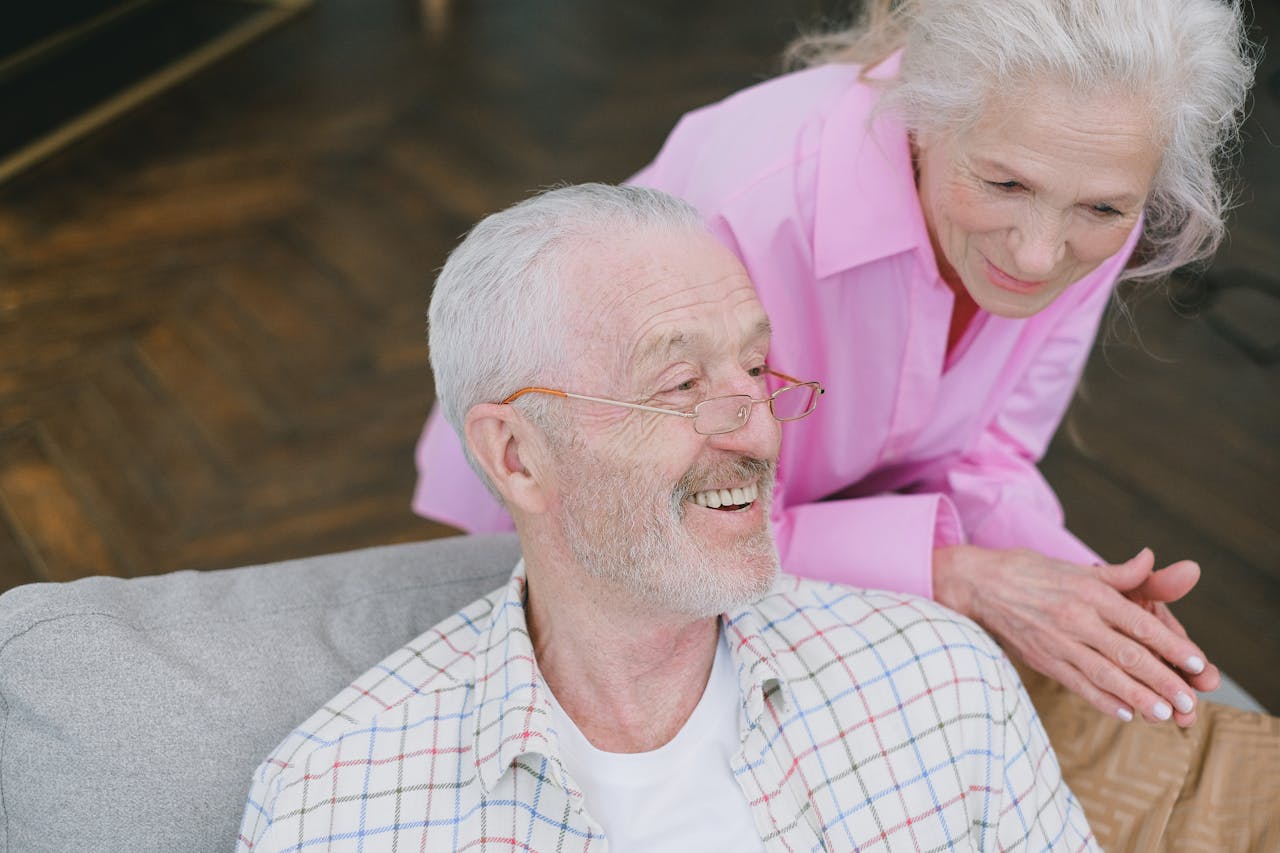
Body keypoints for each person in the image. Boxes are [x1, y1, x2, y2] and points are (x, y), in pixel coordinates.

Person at [411, 0, 1257, 728]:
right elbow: (667, 524)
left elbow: (988, 452)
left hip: (795, 529)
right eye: (1002, 184)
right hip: (600, 526)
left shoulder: (1095, 194)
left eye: (1103, 207)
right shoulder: (750, 210)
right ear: (926, 112)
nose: (1039, 256)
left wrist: (1079, 592)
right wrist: (962, 577)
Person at [238, 184, 1097, 851]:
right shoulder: (332, 805)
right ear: (518, 457)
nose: (758, 428)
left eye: (756, 368)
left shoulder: (943, 683)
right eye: (681, 386)